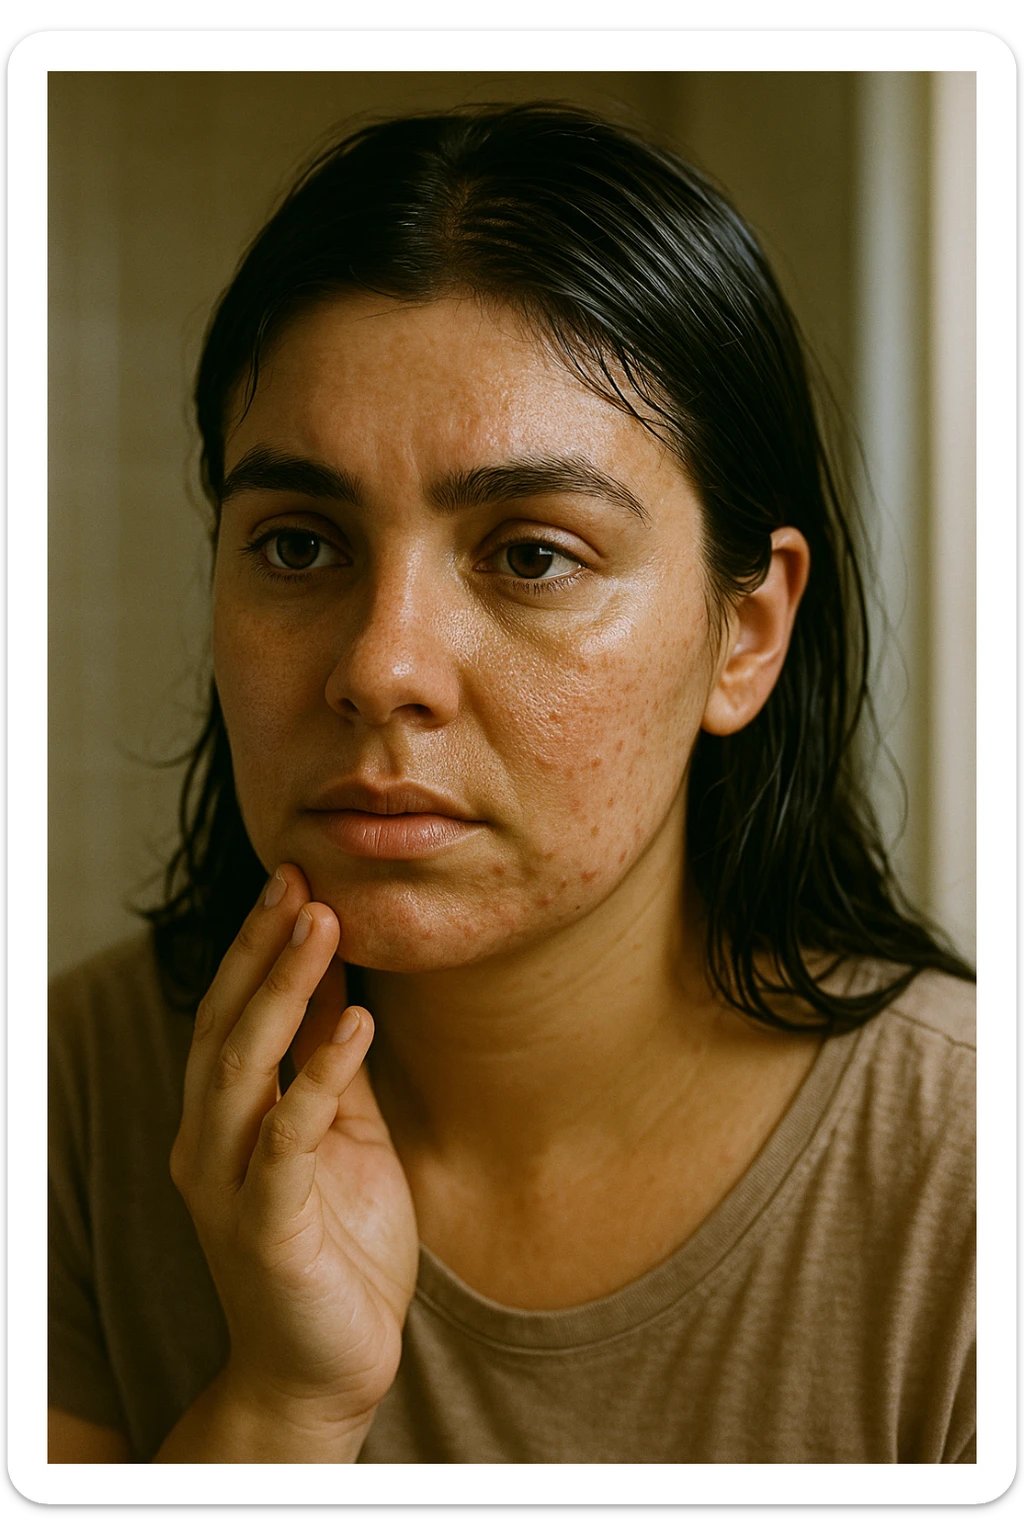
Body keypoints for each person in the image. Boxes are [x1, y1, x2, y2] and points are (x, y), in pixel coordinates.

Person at [48, 103, 976, 1465]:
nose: (381, 667)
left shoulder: (971, 1178)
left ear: (747, 634)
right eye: (299, 546)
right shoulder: (68, 1100)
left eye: (533, 555)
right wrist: (282, 1406)